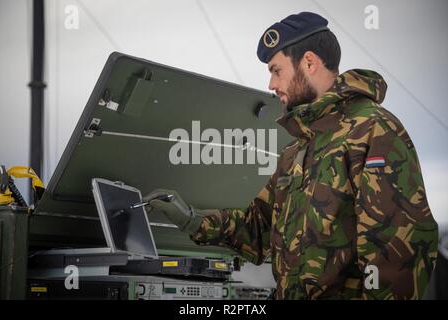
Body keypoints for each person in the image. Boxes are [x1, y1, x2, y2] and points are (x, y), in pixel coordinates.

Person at [144, 12, 438, 299]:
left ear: (309, 62)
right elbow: (259, 229)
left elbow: (399, 252)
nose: (271, 85)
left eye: (276, 70)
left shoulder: (374, 131)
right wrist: (190, 219)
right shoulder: (296, 151)